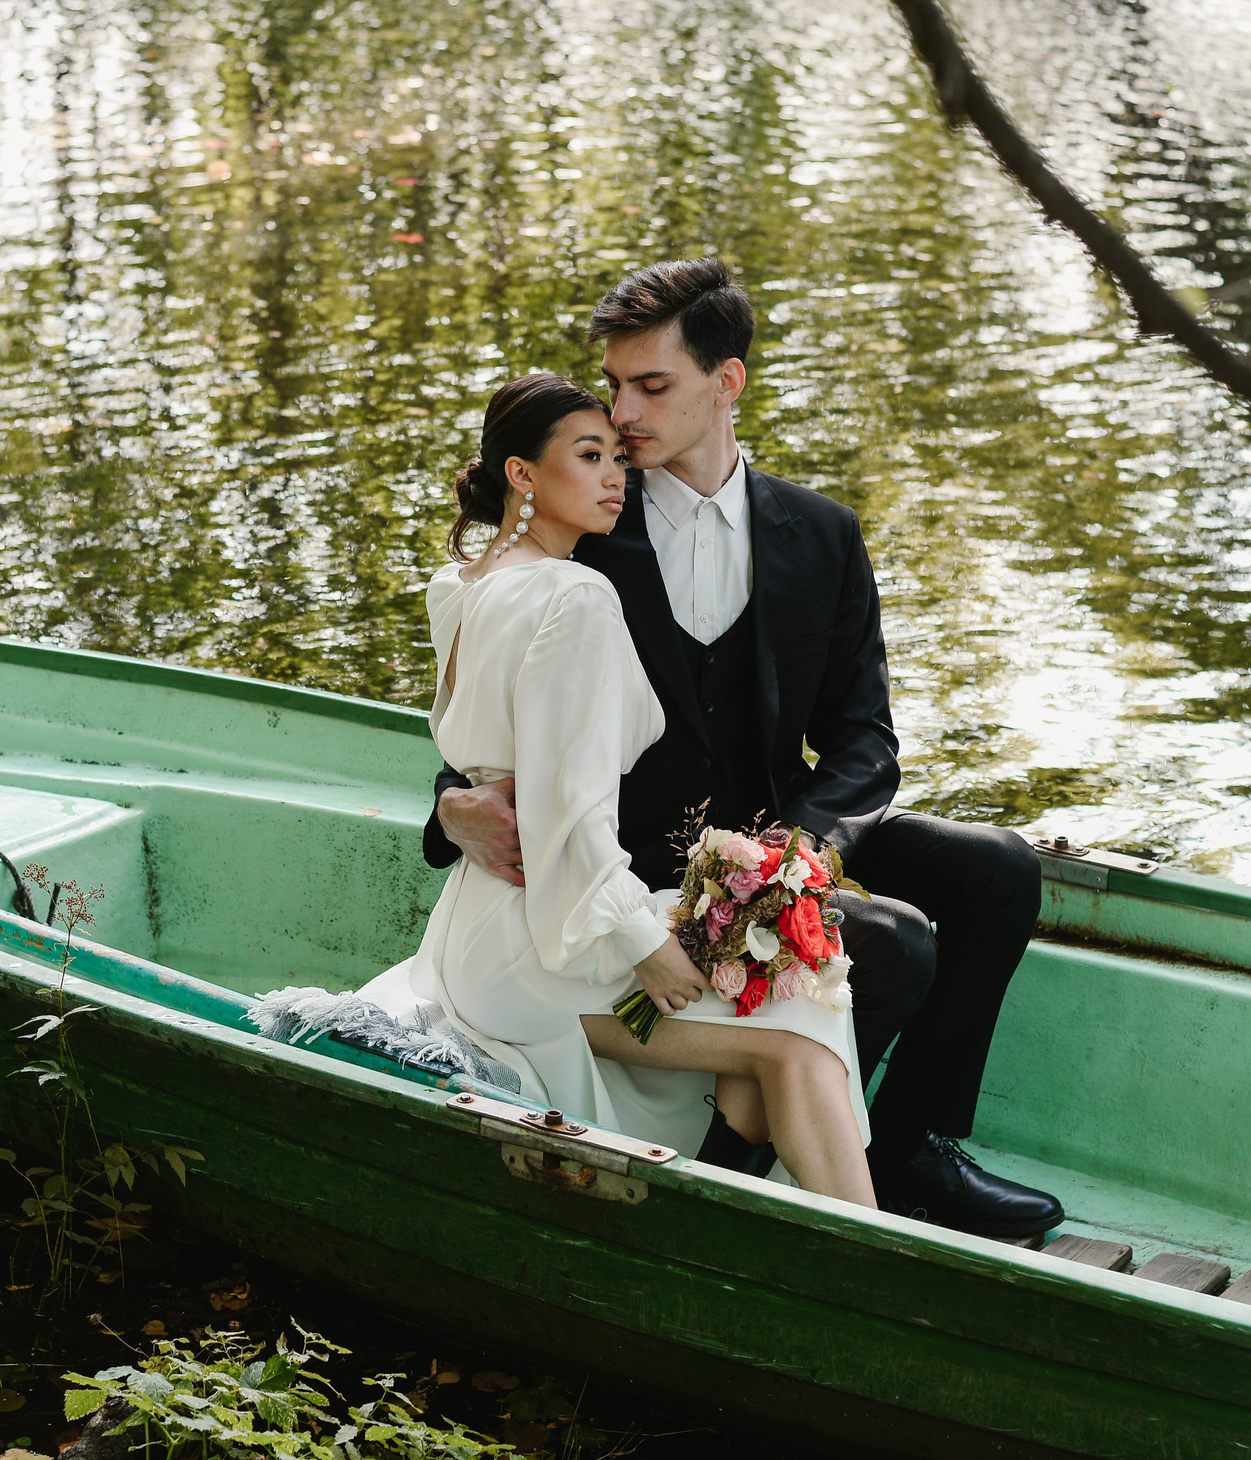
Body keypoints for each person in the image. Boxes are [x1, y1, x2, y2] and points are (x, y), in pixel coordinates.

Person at [424, 260, 1063, 1241]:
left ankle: (905, 1144)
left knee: (996, 871)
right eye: (615, 384)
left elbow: (863, 735)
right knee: (894, 942)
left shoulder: (820, 532)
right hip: (642, 859)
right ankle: (747, 1164)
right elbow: (505, 709)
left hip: (781, 822)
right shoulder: (583, 526)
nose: (622, 412)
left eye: (652, 385)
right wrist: (448, 805)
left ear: (727, 382)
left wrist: (799, 856)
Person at [362, 372, 876, 1206]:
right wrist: (648, 943)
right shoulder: (577, 596)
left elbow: (504, 772)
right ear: (523, 473)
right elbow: (571, 821)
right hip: (542, 946)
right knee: (804, 1021)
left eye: (617, 458)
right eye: (590, 455)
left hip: (478, 929)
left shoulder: (460, 585)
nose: (616, 477)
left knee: (782, 1002)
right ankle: (878, 1261)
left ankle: (755, 1165)